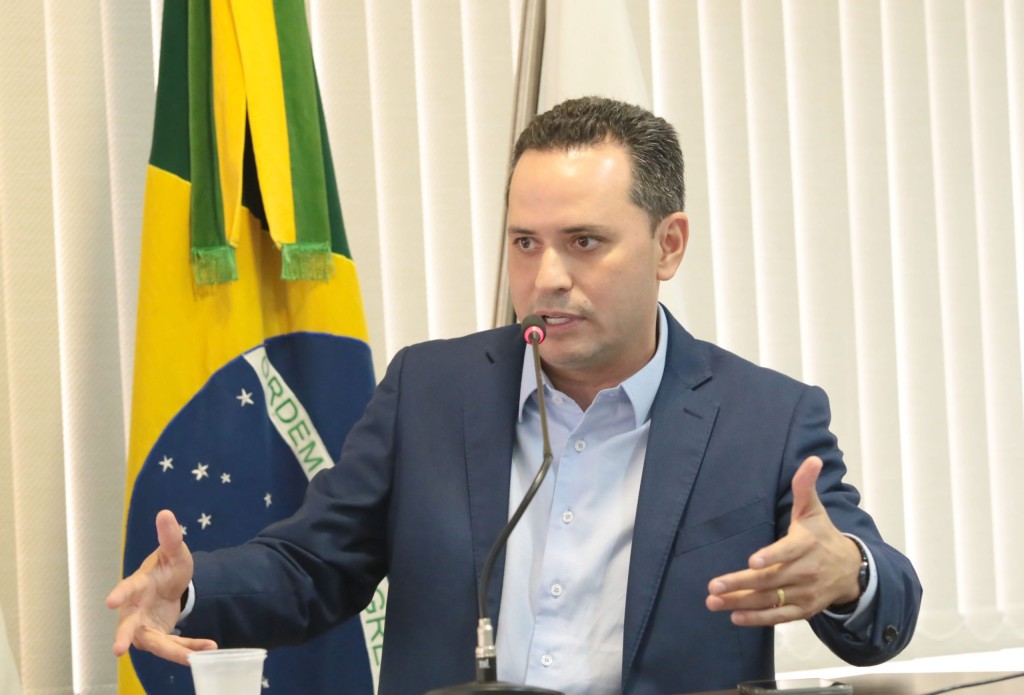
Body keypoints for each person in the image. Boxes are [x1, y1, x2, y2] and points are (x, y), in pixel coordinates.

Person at [108, 96, 922, 694]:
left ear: (668, 245)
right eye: (525, 243)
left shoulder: (765, 418)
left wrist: (849, 572)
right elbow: (313, 564)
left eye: (585, 242)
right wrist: (193, 586)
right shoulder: (431, 391)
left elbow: (886, 610)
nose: (547, 277)